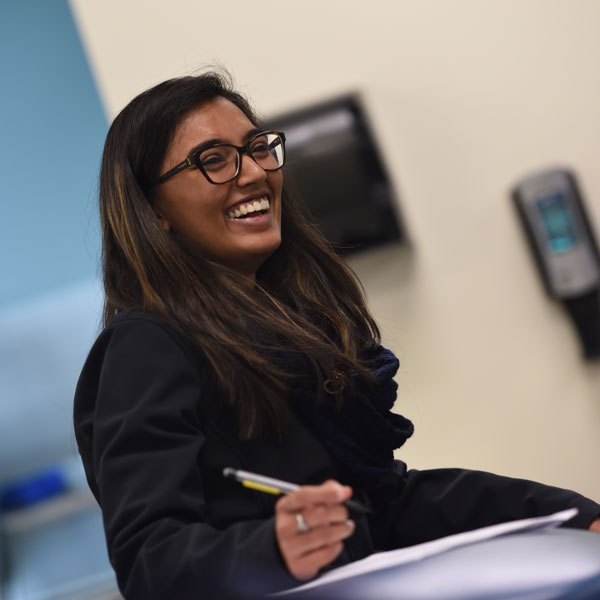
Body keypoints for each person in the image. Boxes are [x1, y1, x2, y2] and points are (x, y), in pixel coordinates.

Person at [74, 71, 600, 600]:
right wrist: (273, 546)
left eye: (258, 148)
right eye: (213, 160)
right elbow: (150, 563)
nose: (254, 172)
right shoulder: (145, 346)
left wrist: (571, 514)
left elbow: (385, 501)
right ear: (154, 210)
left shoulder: (293, 323)